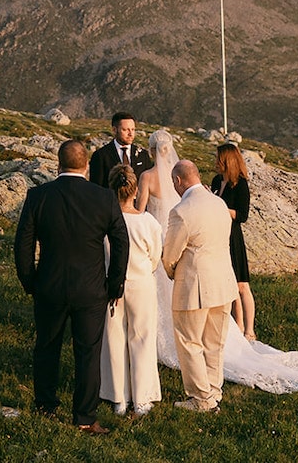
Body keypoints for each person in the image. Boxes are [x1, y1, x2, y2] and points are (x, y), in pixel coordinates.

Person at [14, 140, 130, 435]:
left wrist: (31, 281)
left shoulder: (38, 195)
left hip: (49, 286)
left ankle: (45, 406)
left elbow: (23, 245)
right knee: (88, 353)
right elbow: (120, 243)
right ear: (87, 164)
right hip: (91, 289)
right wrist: (114, 284)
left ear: (58, 164)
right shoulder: (104, 198)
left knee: (46, 347)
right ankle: (84, 417)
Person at [161, 159, 238, 412]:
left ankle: (201, 398)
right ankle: (214, 390)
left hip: (194, 285)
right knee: (215, 341)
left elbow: (170, 253)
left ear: (178, 181)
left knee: (190, 341)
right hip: (223, 282)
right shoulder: (219, 203)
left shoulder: (182, 211)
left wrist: (172, 271)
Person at [99, 165, 163, 417]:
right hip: (142, 284)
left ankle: (118, 398)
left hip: (110, 284)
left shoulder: (104, 221)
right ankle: (142, 398)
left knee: (113, 339)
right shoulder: (148, 222)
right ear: (135, 191)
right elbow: (155, 257)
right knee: (142, 338)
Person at [140, 129, 181, 370]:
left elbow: (141, 207)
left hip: (156, 232)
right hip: (175, 233)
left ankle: (160, 338)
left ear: (150, 150)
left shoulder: (147, 176)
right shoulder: (177, 175)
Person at [211, 142, 255, 339]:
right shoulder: (216, 181)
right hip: (218, 235)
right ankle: (237, 325)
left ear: (226, 160)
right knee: (228, 283)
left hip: (233, 236)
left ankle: (249, 329)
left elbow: (242, 215)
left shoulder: (240, 184)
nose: (215, 161)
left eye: (218, 158)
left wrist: (218, 206)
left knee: (241, 284)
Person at [88, 112, 154, 195]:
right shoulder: (100, 155)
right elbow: (96, 188)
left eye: (133, 129)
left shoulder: (143, 155)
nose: (130, 134)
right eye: (125, 130)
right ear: (114, 130)